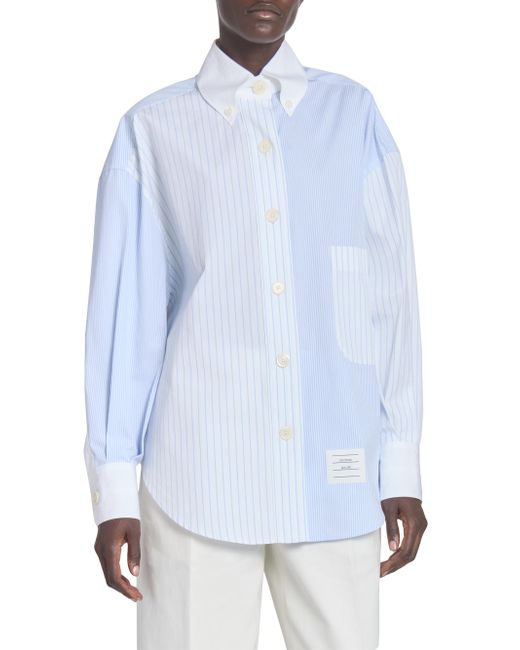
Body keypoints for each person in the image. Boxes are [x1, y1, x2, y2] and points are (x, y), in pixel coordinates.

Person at [83, 1, 428, 648]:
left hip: (335, 467)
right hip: (198, 473)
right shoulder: (152, 130)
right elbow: (127, 319)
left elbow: (389, 297)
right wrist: (114, 488)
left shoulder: (352, 116)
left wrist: (400, 463)